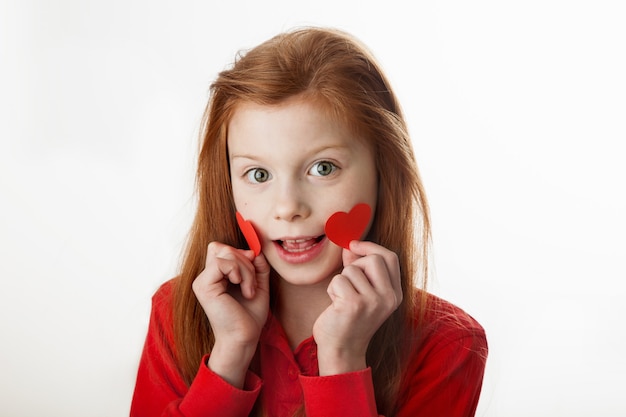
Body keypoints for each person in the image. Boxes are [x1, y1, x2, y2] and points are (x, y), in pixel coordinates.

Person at [130, 27, 488, 417]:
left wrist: (342, 358)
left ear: (383, 171)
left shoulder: (449, 344)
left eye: (323, 167)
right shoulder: (176, 311)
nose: (288, 207)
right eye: (259, 175)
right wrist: (229, 356)